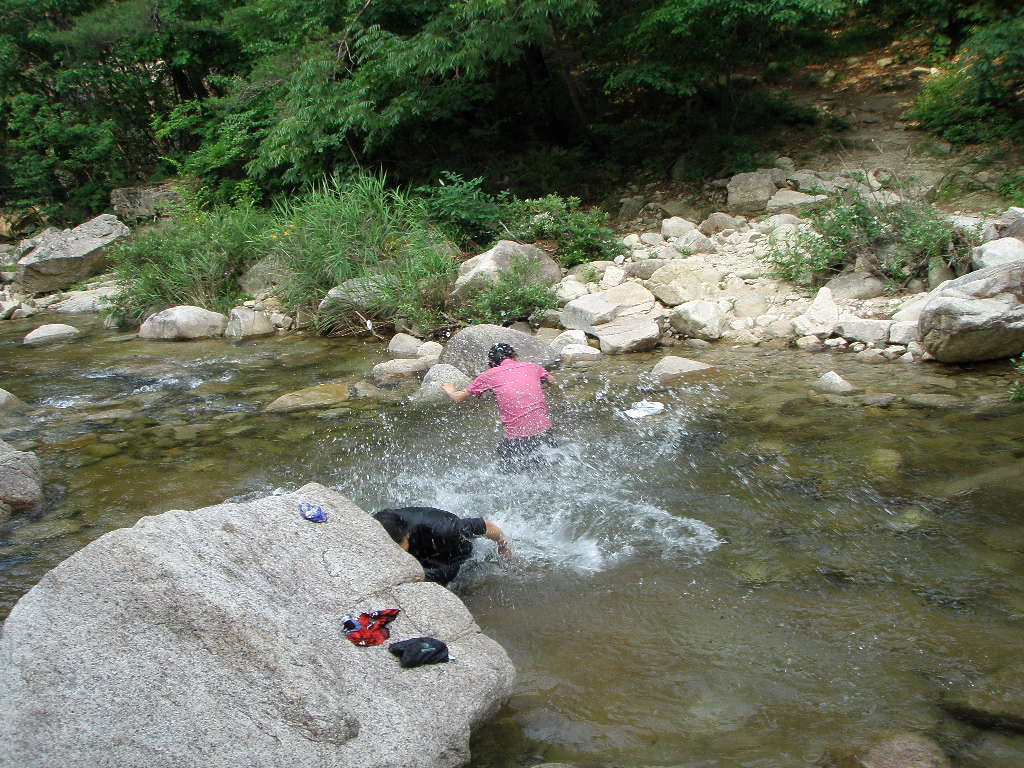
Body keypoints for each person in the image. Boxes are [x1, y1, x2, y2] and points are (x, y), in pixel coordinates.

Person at [442, 342, 554, 470]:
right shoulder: (533, 367)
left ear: (492, 364)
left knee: (507, 472)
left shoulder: (489, 374)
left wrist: (450, 390)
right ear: (515, 357)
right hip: (545, 432)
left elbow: (458, 397)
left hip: (516, 439)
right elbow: (552, 380)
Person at [373, 506, 512, 586]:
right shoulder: (383, 521)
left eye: (397, 548)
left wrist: (504, 548)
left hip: (452, 554)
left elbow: (488, 526)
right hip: (424, 542)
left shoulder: (446, 529)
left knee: (431, 580)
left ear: (406, 535)